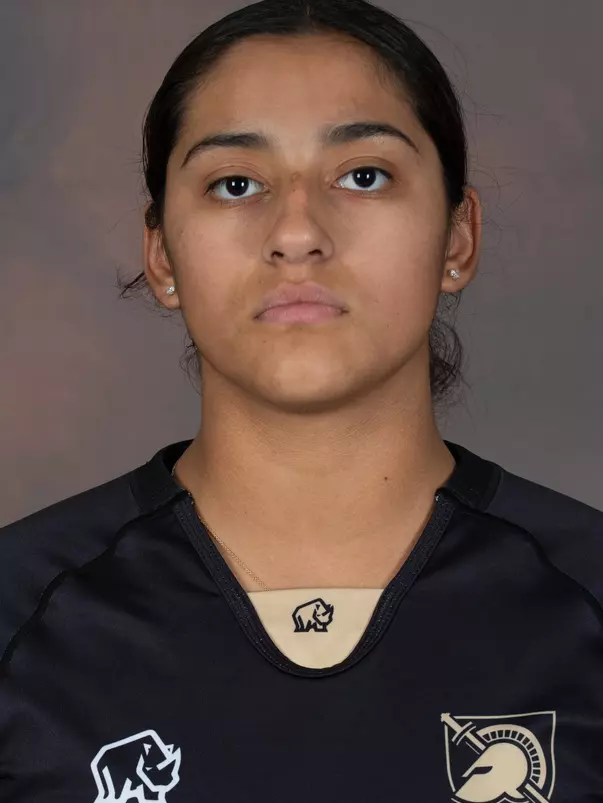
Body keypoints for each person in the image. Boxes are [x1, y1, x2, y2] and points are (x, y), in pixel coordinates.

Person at [1, 0, 602, 799]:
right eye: (235, 183)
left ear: (456, 238)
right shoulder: (20, 611)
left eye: (363, 175)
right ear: (162, 255)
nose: (296, 232)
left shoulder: (584, 597)